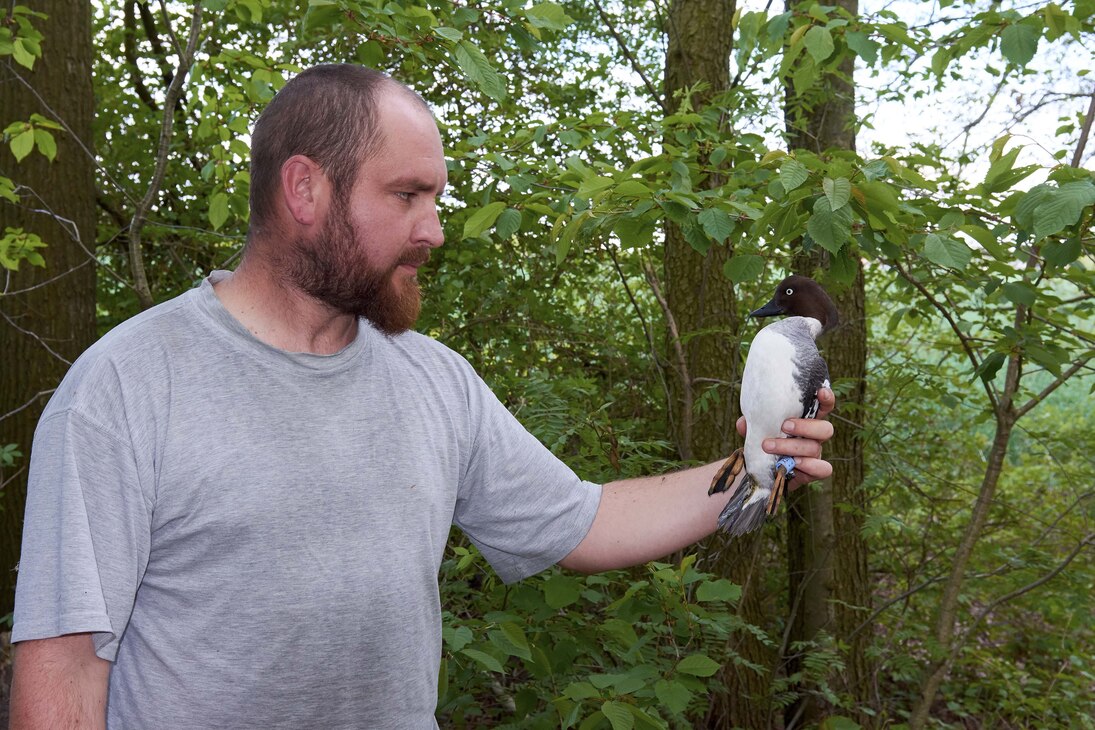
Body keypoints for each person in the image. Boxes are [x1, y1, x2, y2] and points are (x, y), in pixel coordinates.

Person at [9, 64, 835, 729]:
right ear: (305, 191)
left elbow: (583, 520)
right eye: (406, 196)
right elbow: (63, 674)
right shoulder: (126, 386)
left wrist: (758, 461)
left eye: (436, 199)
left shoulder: (431, 379)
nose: (434, 229)